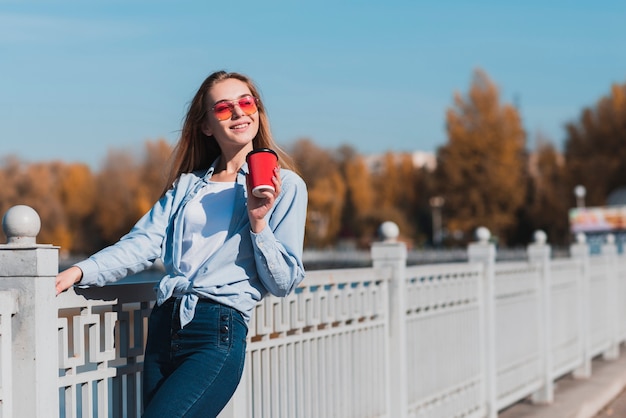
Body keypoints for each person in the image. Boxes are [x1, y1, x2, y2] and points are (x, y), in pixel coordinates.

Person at [55, 70, 308, 417]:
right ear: (206, 125)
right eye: (223, 108)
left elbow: (283, 282)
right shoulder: (187, 187)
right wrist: (80, 271)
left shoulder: (287, 186)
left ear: (258, 111)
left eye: (246, 102)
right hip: (163, 327)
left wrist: (259, 223)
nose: (238, 113)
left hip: (216, 330)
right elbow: (143, 244)